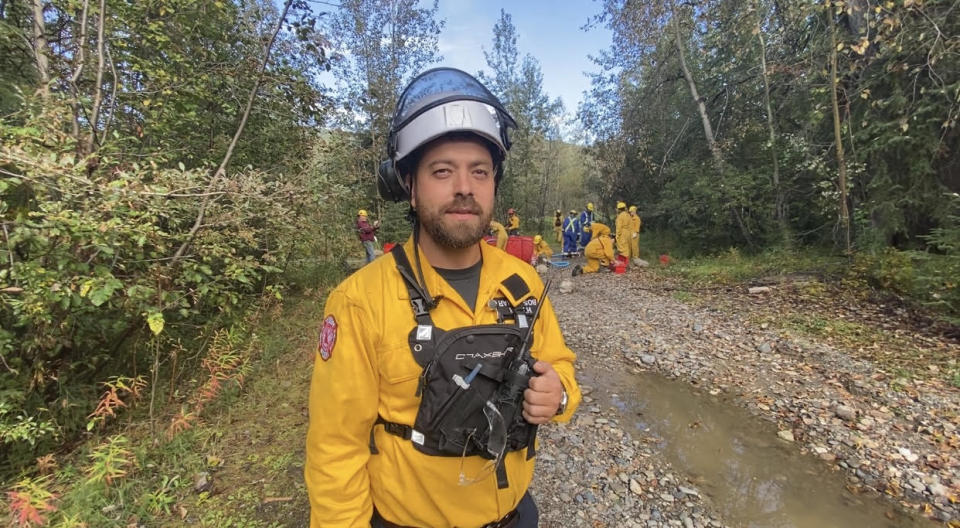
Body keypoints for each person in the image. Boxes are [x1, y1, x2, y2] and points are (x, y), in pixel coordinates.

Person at [305, 67, 581, 528]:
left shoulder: (523, 282)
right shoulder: (360, 301)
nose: (464, 188)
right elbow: (335, 450)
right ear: (408, 187)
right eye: (441, 171)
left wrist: (560, 394)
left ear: (494, 183)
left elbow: (561, 364)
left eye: (479, 171)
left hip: (516, 515)